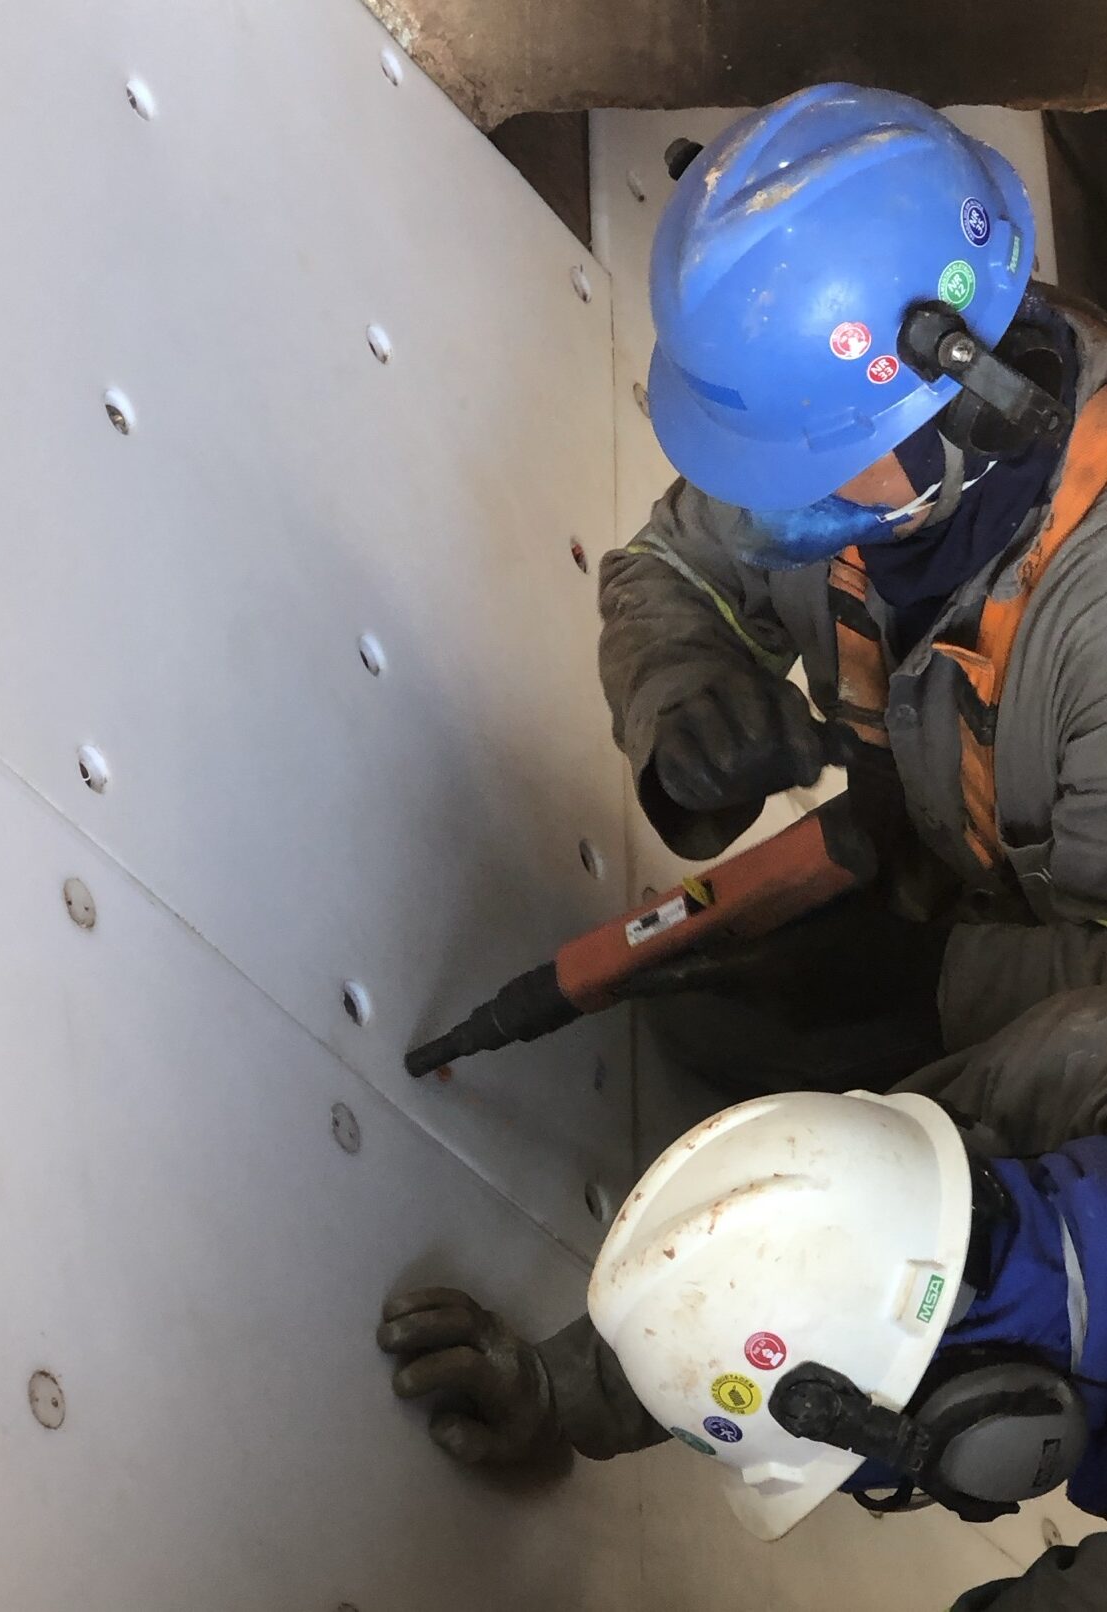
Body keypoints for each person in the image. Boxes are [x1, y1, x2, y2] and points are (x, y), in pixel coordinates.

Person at [594, 82, 1107, 1094]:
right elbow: (670, 567)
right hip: (932, 869)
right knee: (696, 1026)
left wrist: (921, 981)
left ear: (976, 408)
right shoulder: (834, 425)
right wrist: (686, 692)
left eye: (804, 464)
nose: (764, 495)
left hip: (1060, 993)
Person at [379, 987, 1107, 1609]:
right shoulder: (1067, 1063)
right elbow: (860, 1199)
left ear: (993, 1429)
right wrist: (592, 1383)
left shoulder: (1064, 1056)